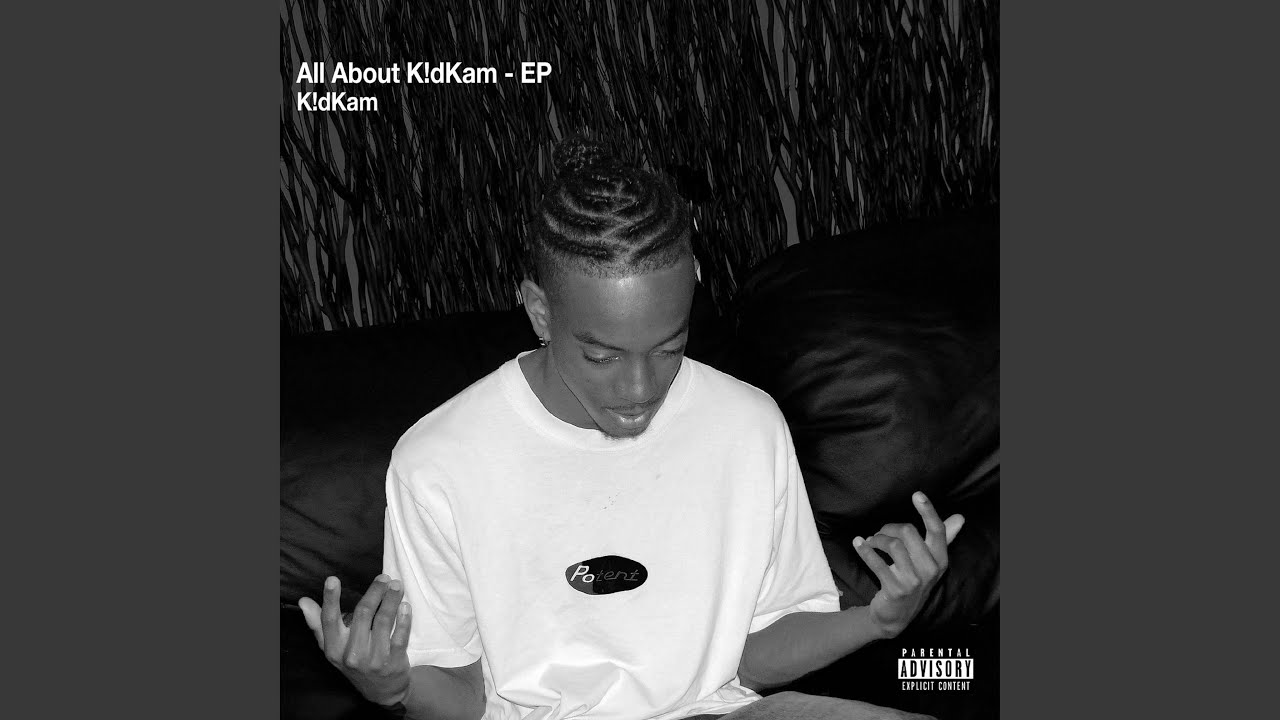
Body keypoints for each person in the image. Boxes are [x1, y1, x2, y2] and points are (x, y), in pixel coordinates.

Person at [300, 136, 963, 720]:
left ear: (694, 286)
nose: (641, 391)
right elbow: (466, 699)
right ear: (539, 311)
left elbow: (751, 657)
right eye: (602, 357)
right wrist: (390, 687)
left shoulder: (746, 425)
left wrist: (877, 621)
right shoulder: (441, 461)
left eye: (669, 348)